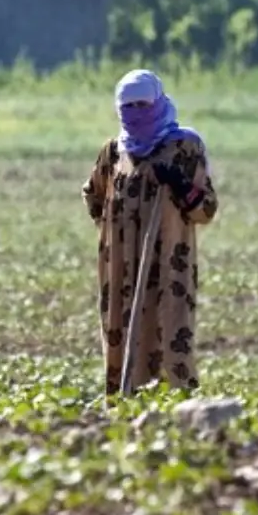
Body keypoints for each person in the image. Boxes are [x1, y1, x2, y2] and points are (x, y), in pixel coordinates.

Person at [81, 69, 219, 396]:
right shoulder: (114, 152)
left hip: (170, 262)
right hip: (121, 269)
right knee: (123, 334)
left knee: (171, 332)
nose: (136, 113)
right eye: (128, 107)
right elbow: (93, 195)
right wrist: (118, 228)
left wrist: (180, 184)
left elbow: (206, 209)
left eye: (144, 104)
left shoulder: (185, 146)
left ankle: (178, 404)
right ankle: (126, 404)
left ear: (158, 102)